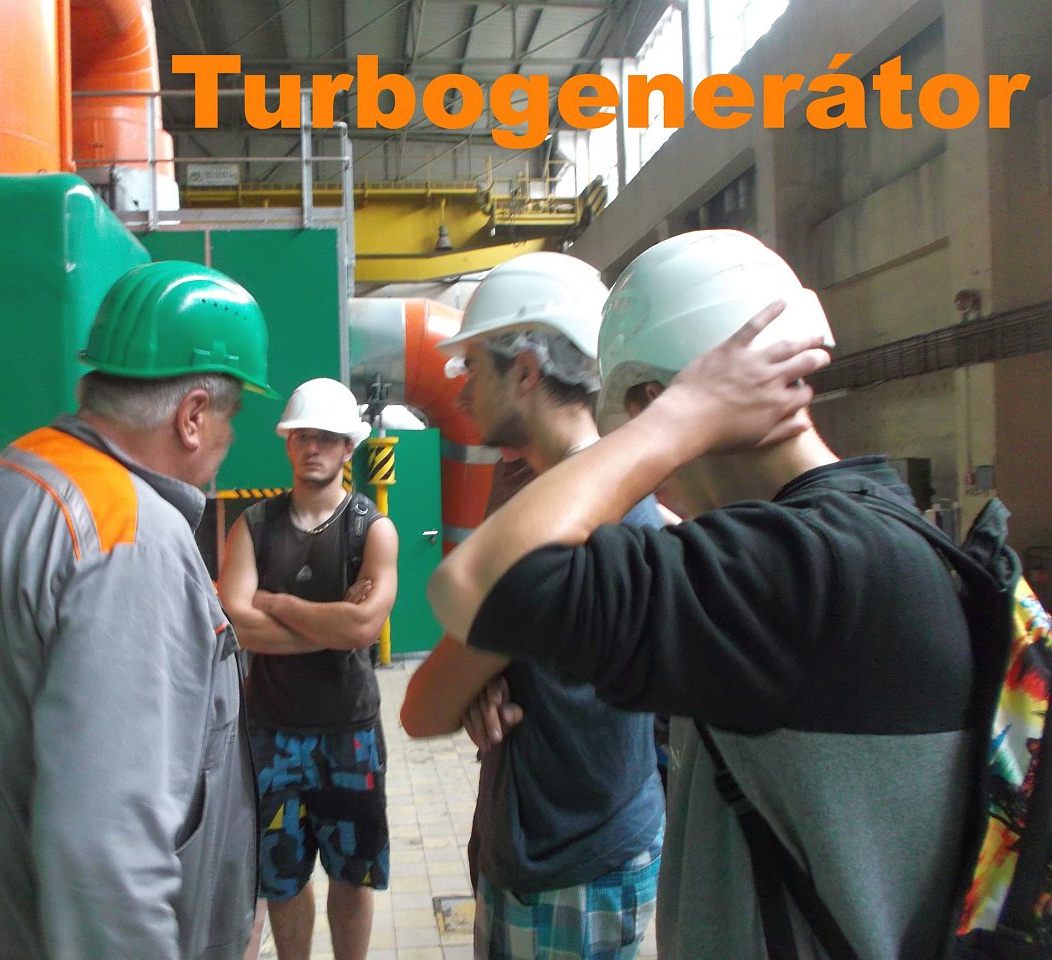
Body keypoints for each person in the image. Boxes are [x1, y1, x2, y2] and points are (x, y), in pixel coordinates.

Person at [428, 229, 982, 960]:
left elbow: (476, 584)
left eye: (642, 421)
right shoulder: (867, 532)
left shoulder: (801, 567)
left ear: (661, 402)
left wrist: (674, 419)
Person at [0, 261, 274, 960]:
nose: (230, 440)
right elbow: (108, 850)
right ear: (193, 415)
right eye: (233, 417)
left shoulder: (3, 478)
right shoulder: (130, 535)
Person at [401, 252, 666, 960]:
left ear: (524, 371)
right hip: (573, 848)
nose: (460, 395)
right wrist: (491, 676)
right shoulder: (595, 496)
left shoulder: (566, 527)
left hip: (567, 872)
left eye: (472, 370)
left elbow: (421, 708)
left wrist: (468, 681)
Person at [222, 378, 399, 960]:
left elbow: (363, 629)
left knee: (353, 874)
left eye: (326, 437)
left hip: (351, 735)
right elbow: (238, 623)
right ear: (288, 444)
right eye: (302, 436)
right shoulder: (253, 526)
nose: (313, 447)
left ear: (349, 448)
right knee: (282, 878)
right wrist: (333, 625)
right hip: (271, 734)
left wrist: (277, 604)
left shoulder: (372, 530)